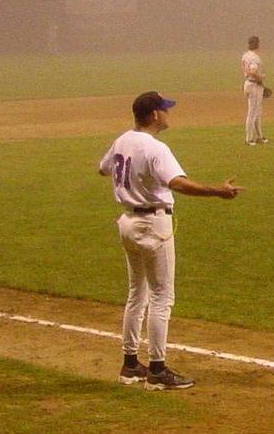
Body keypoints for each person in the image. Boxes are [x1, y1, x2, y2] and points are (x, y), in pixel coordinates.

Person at [97, 91, 242, 389]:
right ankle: (157, 371)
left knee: (137, 293)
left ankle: (130, 365)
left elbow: (103, 168)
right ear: (154, 115)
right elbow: (177, 183)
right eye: (165, 109)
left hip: (128, 222)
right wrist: (218, 191)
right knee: (161, 297)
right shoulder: (155, 147)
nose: (168, 114)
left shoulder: (122, 140)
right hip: (153, 224)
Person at [241, 35, 268, 145]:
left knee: (257, 112)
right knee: (253, 113)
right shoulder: (255, 58)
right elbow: (253, 71)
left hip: (248, 84)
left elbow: (245, 70)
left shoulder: (245, 55)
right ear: (258, 44)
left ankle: (259, 136)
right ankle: (249, 139)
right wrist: (260, 78)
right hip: (254, 85)